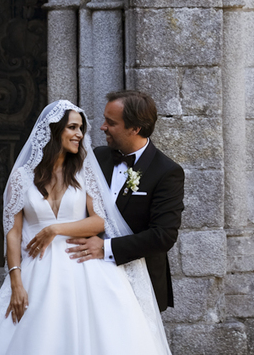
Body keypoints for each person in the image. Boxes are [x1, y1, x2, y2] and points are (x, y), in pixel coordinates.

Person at [0, 100, 172, 355]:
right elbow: (13, 232)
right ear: (54, 130)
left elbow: (99, 221)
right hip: (35, 270)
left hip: (83, 263)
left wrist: (55, 229)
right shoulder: (21, 177)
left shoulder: (85, 170)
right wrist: (16, 281)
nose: (80, 134)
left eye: (80, 128)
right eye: (73, 127)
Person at [65, 90, 185, 311]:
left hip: (139, 282)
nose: (102, 127)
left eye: (111, 122)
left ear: (135, 128)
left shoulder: (167, 172)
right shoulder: (95, 158)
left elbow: (163, 235)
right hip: (87, 277)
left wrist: (106, 248)